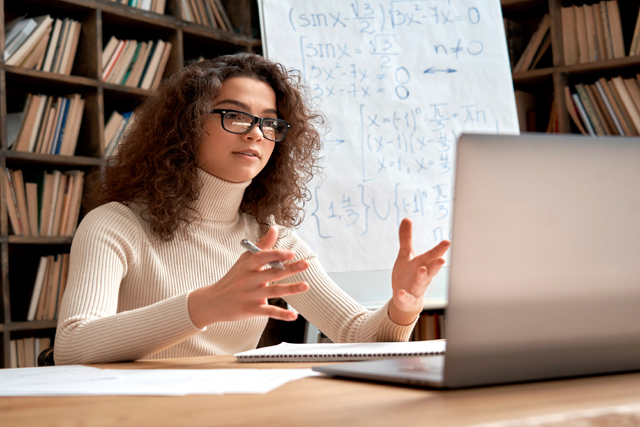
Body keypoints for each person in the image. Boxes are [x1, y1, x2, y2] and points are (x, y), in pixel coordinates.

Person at [54, 53, 450, 365]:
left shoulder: (271, 239)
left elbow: (356, 334)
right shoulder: (114, 224)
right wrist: (202, 306)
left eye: (270, 123)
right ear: (187, 124)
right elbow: (72, 345)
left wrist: (401, 306)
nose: (256, 132)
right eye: (236, 115)